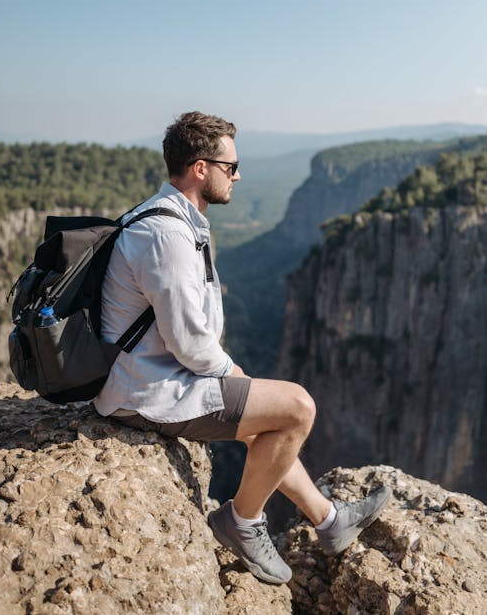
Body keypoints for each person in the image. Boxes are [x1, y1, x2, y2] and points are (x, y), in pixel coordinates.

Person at [94, 111, 391, 585]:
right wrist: (237, 376)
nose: (238, 174)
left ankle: (331, 522)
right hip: (149, 391)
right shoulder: (167, 234)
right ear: (199, 168)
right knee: (296, 408)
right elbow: (190, 343)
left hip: (157, 375)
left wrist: (238, 382)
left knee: (265, 424)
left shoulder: (168, 217)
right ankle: (242, 521)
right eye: (230, 166)